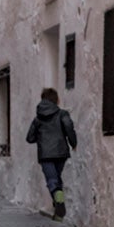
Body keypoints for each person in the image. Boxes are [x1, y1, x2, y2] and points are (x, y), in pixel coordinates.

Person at [24, 88, 79, 218]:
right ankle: (58, 211)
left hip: (45, 154)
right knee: (57, 177)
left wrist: (41, 137)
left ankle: (57, 198)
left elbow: (29, 138)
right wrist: (73, 143)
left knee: (52, 180)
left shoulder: (38, 119)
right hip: (61, 152)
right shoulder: (62, 114)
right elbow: (68, 127)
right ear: (56, 99)